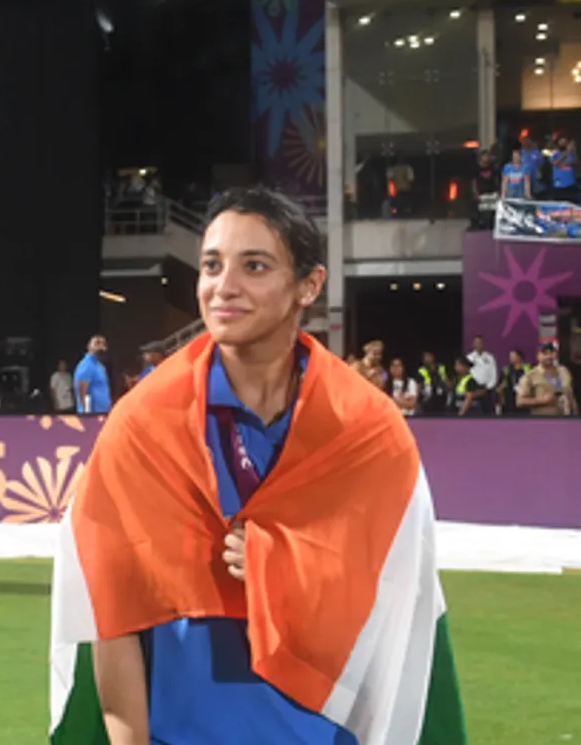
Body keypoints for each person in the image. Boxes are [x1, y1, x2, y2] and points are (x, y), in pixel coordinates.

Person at [49, 185, 466, 745]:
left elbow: (401, 598)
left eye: (255, 266)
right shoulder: (142, 424)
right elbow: (109, 609)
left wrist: (280, 563)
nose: (224, 286)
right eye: (212, 265)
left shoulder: (367, 431)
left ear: (308, 286)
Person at [518, 342, 576, 417]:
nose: (549, 356)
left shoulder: (564, 371)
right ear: (538, 355)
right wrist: (542, 401)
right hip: (544, 420)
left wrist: (576, 415)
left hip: (566, 418)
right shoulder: (530, 376)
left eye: (551, 353)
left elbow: (571, 395)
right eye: (545, 353)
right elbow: (520, 401)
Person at [73, 335, 112, 414]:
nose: (100, 347)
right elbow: (82, 391)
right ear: (89, 346)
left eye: (103, 344)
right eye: (97, 343)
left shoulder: (100, 366)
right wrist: (88, 415)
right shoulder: (87, 365)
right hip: (93, 414)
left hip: (103, 413)